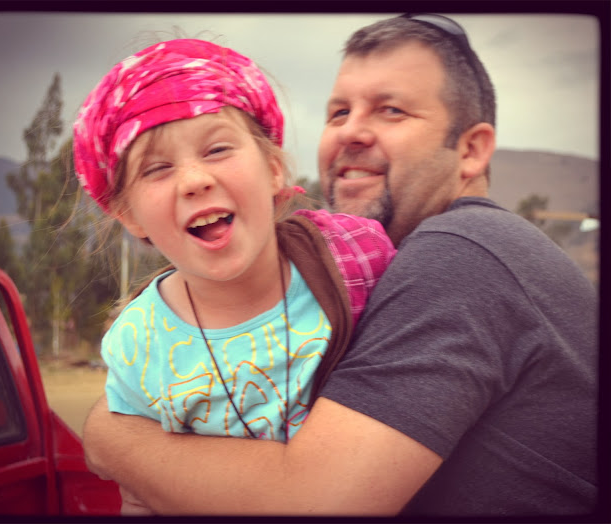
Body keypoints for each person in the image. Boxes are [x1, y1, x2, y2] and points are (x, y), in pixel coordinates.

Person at [82, 15, 598, 517]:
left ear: (471, 150)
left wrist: (111, 437)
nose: (351, 132)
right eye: (338, 113)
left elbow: (315, 501)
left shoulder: (464, 253)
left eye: (391, 110)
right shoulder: (377, 269)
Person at [72, 38, 396, 511]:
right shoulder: (138, 344)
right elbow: (139, 494)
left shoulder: (355, 256)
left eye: (218, 149)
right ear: (129, 216)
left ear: (273, 169)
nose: (194, 180)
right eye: (157, 169)